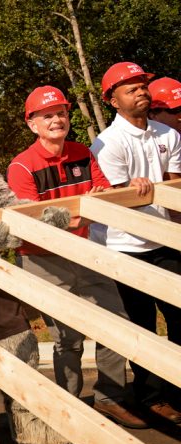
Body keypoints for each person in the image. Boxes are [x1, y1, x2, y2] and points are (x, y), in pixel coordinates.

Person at [6, 84, 150, 428]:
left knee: (116, 325)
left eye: (61, 113)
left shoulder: (83, 153)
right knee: (67, 338)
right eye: (47, 116)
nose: (57, 120)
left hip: (85, 253)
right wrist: (82, 215)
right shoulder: (21, 167)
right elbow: (32, 222)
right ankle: (71, 408)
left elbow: (105, 195)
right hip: (43, 259)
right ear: (32, 124)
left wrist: (133, 185)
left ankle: (109, 399)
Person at [91, 62, 181, 424]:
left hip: (164, 239)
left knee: (178, 318)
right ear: (113, 100)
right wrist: (136, 195)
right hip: (124, 244)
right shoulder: (107, 143)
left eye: (143, 85)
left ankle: (176, 391)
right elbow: (118, 204)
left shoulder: (168, 135)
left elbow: (175, 190)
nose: (141, 91)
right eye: (130, 88)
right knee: (141, 326)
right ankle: (150, 397)